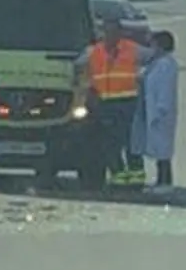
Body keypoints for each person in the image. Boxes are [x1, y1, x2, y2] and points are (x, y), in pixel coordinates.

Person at [76, 17, 155, 188]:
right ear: (102, 33)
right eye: (107, 31)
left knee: (131, 142)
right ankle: (118, 175)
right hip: (104, 103)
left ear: (120, 33)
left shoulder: (133, 49)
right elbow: (77, 66)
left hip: (128, 102)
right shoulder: (93, 52)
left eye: (114, 31)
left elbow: (154, 59)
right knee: (110, 143)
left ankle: (136, 177)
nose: (110, 35)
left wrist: (144, 78)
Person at [130, 30, 180, 196]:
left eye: (153, 44)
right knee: (159, 149)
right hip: (153, 112)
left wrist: (161, 110)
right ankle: (160, 181)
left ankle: (165, 182)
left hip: (161, 113)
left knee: (163, 151)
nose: (151, 47)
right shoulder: (156, 63)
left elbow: (166, 90)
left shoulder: (167, 64)